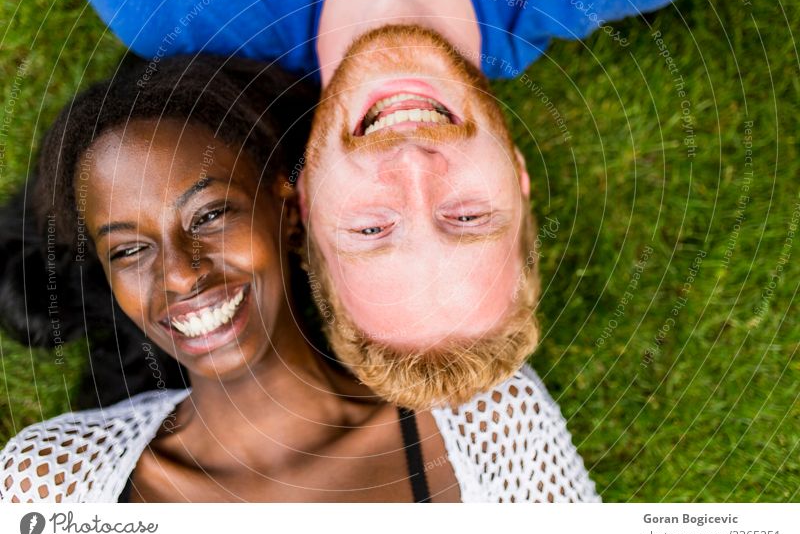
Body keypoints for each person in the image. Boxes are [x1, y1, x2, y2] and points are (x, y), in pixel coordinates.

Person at [72, 0, 701, 407]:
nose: (412, 168)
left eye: (373, 228)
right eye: (467, 217)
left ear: (306, 202)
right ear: (516, 173)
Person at [0, 55, 600, 503]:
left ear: (289, 213)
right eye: (129, 250)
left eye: (210, 215)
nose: (181, 274)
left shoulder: (486, 422)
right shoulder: (52, 482)